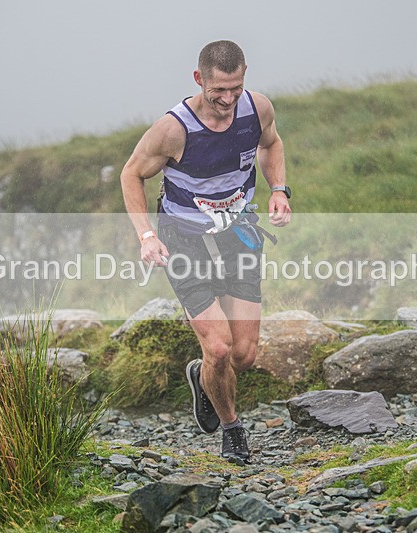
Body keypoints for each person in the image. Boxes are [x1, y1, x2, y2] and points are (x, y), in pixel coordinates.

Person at [120, 40, 291, 463]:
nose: (228, 99)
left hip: (239, 234)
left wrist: (279, 190)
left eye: (236, 87)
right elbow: (131, 173)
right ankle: (232, 430)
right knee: (218, 347)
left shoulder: (257, 109)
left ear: (245, 75)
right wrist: (146, 236)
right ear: (199, 80)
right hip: (183, 239)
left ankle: (201, 376)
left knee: (243, 355)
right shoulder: (173, 129)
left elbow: (271, 144)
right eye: (219, 90)